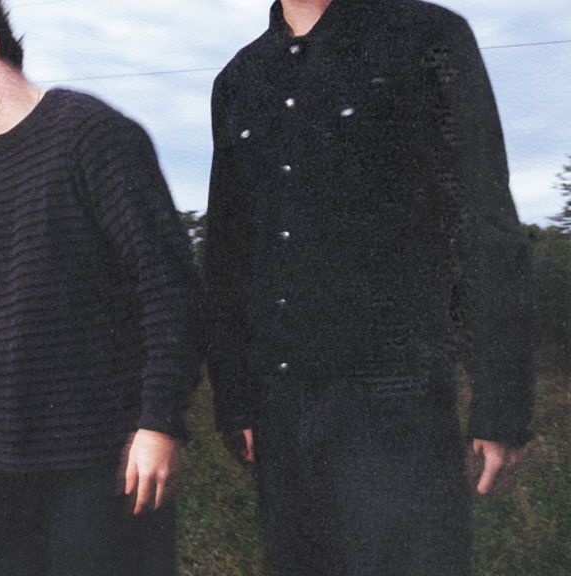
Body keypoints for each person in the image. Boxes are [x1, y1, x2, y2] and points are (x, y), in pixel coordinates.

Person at [0, 2, 202, 575]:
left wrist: (160, 422)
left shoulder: (93, 135)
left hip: (107, 463)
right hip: (5, 473)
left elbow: (167, 283)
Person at [204, 1, 534, 574]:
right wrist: (233, 398)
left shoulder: (429, 38)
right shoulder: (238, 79)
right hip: (282, 418)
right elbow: (228, 252)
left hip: (398, 411)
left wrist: (502, 405)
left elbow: (485, 224)